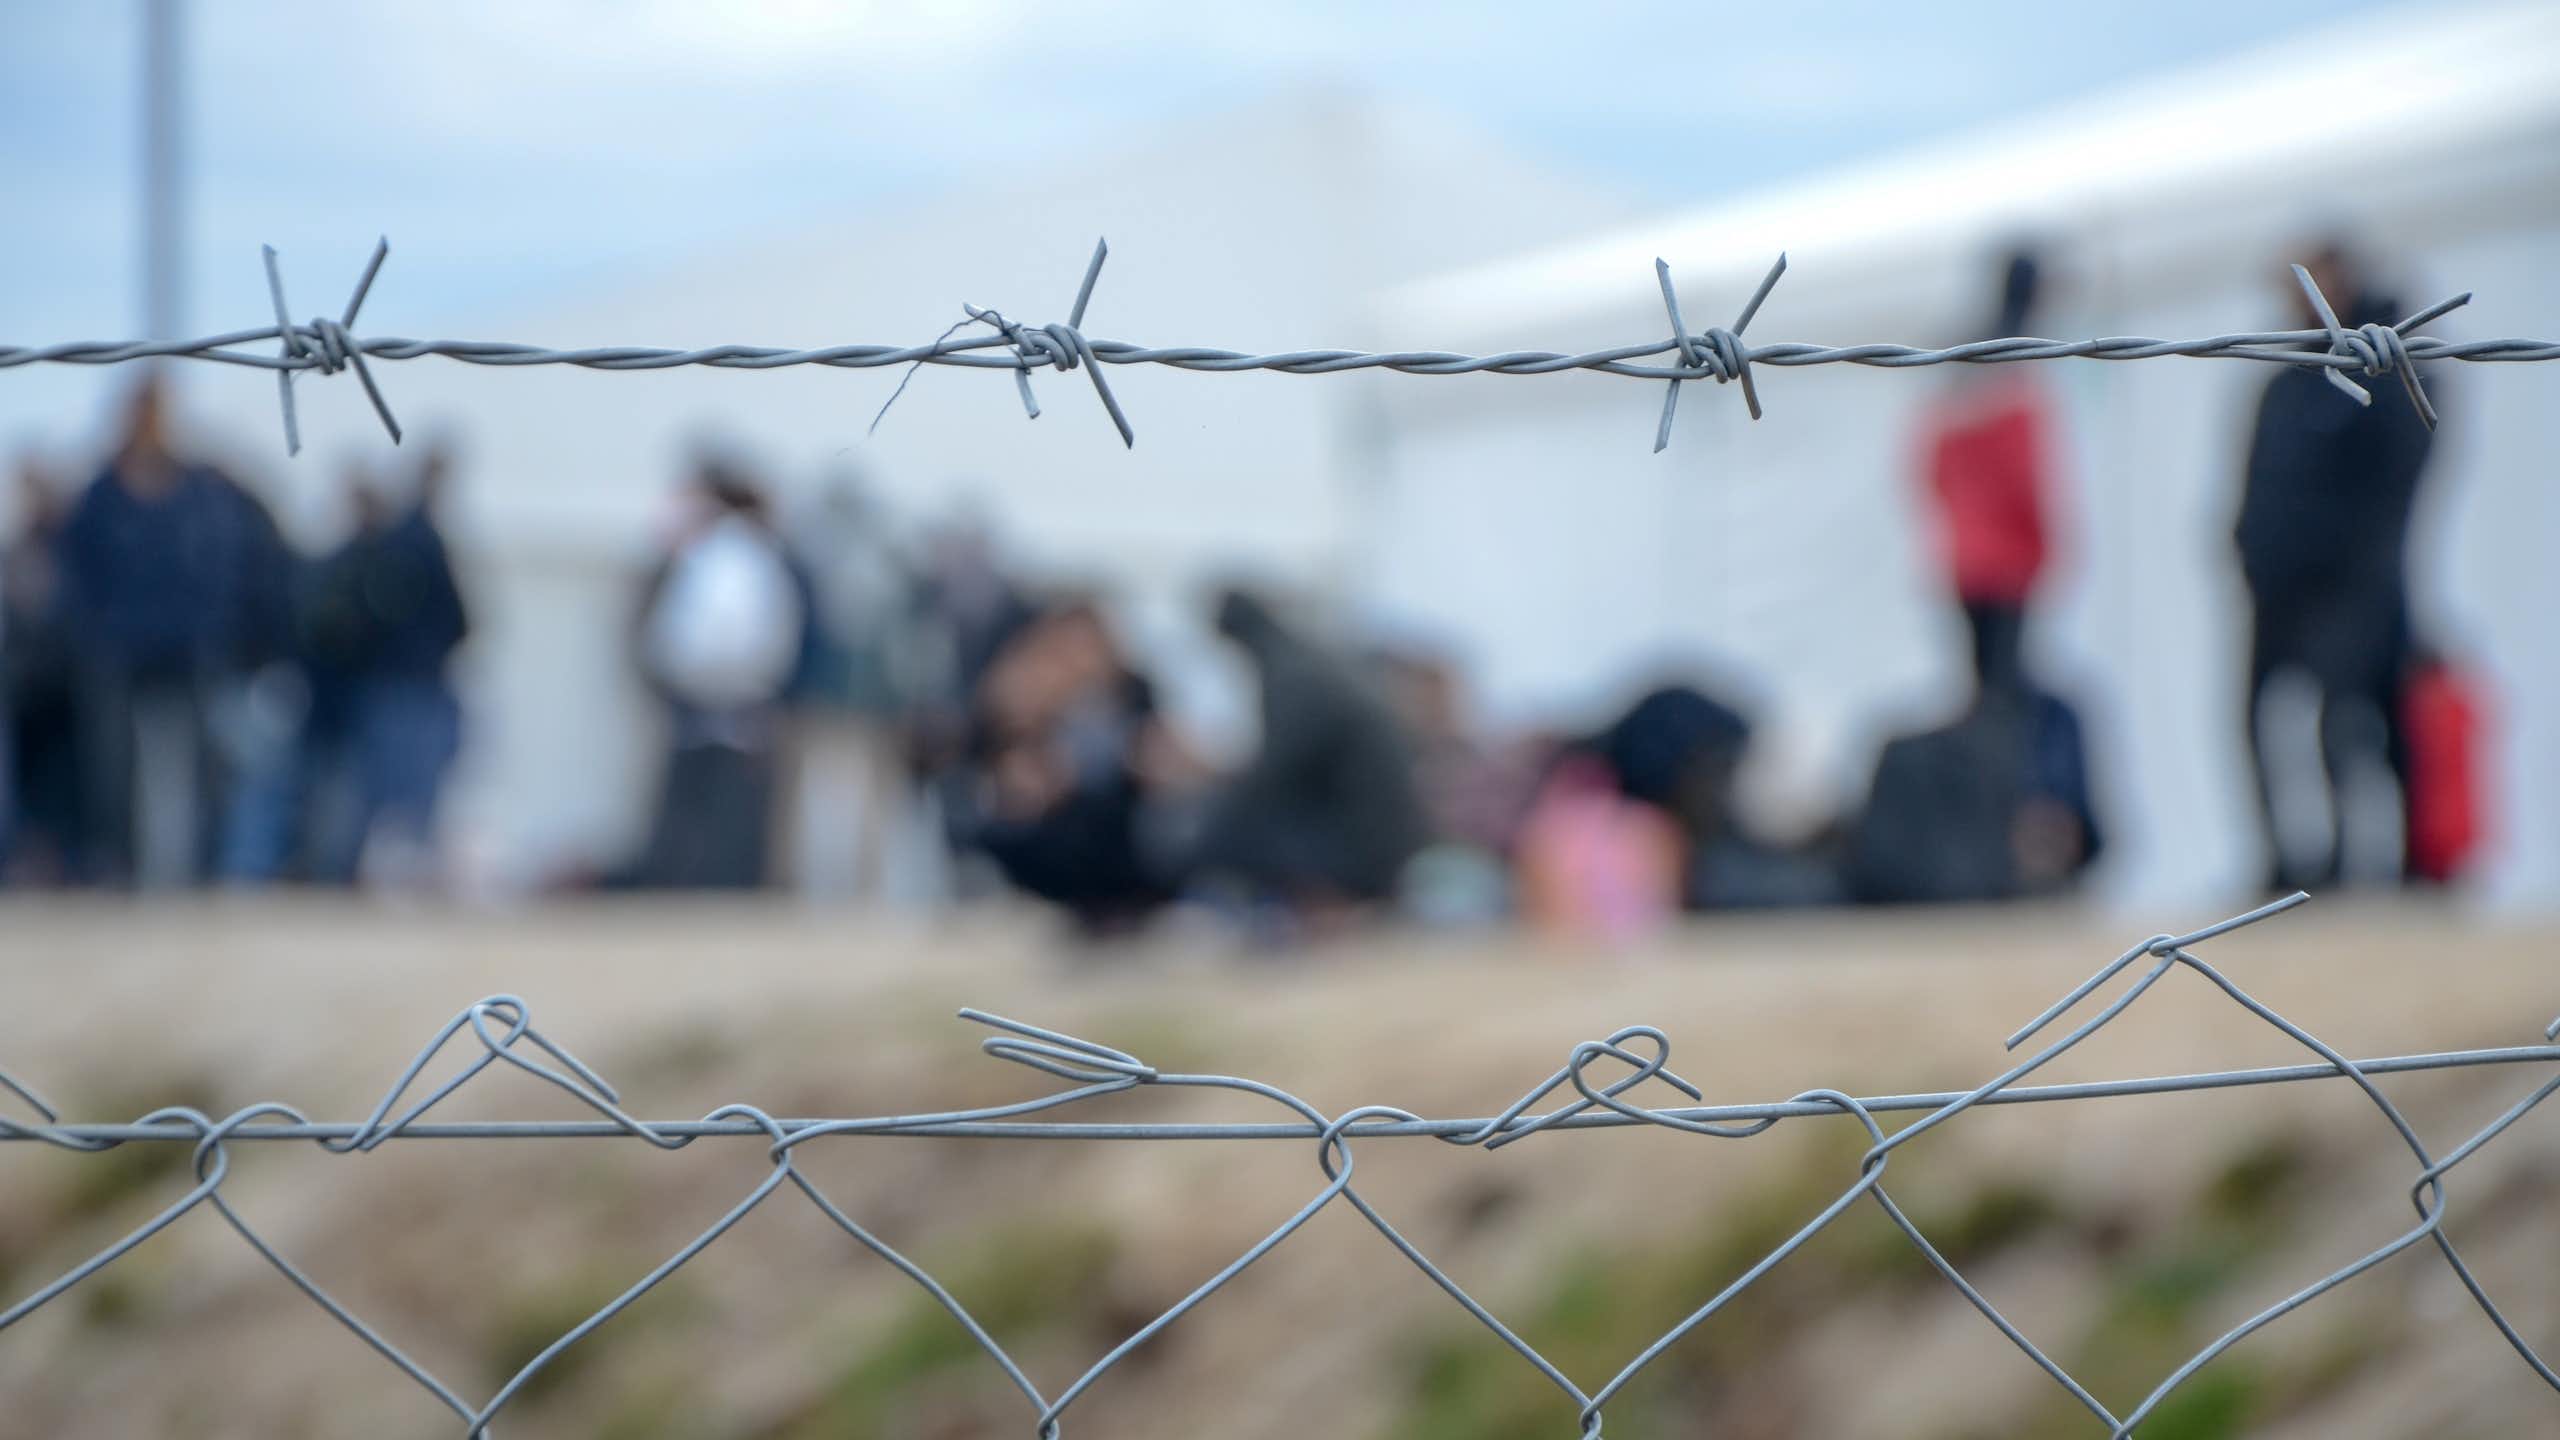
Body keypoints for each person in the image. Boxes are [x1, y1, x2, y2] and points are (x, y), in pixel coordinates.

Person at [2234, 240, 2442, 891]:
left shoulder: (2393, 369)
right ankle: (2289, 868)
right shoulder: (2289, 372)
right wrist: (2248, 547)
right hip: (2276, 585)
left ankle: (2367, 866)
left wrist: (2355, 559)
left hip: (2356, 586)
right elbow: (2258, 478)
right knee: (2256, 720)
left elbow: (2400, 477)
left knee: (2352, 726)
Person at [56, 377, 293, 888]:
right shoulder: (101, 495)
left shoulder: (201, 489)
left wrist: (225, 628)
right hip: (118, 654)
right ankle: (122, 871)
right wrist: (93, 635)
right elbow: (76, 576)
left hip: (192, 652)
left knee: (200, 769)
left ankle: (194, 874)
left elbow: (228, 563)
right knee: (115, 771)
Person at [626, 460, 811, 889]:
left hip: (711, 693)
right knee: (727, 806)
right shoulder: (752, 554)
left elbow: (692, 634)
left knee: (703, 802)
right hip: (738, 694)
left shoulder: (718, 554)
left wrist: (675, 671)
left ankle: (690, 881)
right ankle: (713, 881)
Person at [954, 596, 1186, 933]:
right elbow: (992, 756)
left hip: (1122, 812)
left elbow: (1154, 747)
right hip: (1056, 822)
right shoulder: (1036, 694)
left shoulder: (1134, 689)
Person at [1188, 587, 1428, 912]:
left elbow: (1273, 773)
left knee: (1217, 831)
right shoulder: (1308, 660)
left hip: (1364, 842)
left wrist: (1208, 829)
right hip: (1380, 831)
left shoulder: (1291, 674)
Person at [780, 470, 915, 901]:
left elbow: (899, 645)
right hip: (821, 703)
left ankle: (864, 889)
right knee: (806, 802)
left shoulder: (890, 567)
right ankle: (801, 888)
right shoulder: (805, 563)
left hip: (874, 706)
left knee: (875, 805)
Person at [3, 455, 80, 882]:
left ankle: (63, 863)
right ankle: (37, 861)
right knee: (32, 786)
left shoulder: (70, 546)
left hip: (66, 686)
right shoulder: (19, 549)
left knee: (64, 784)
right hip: (27, 690)